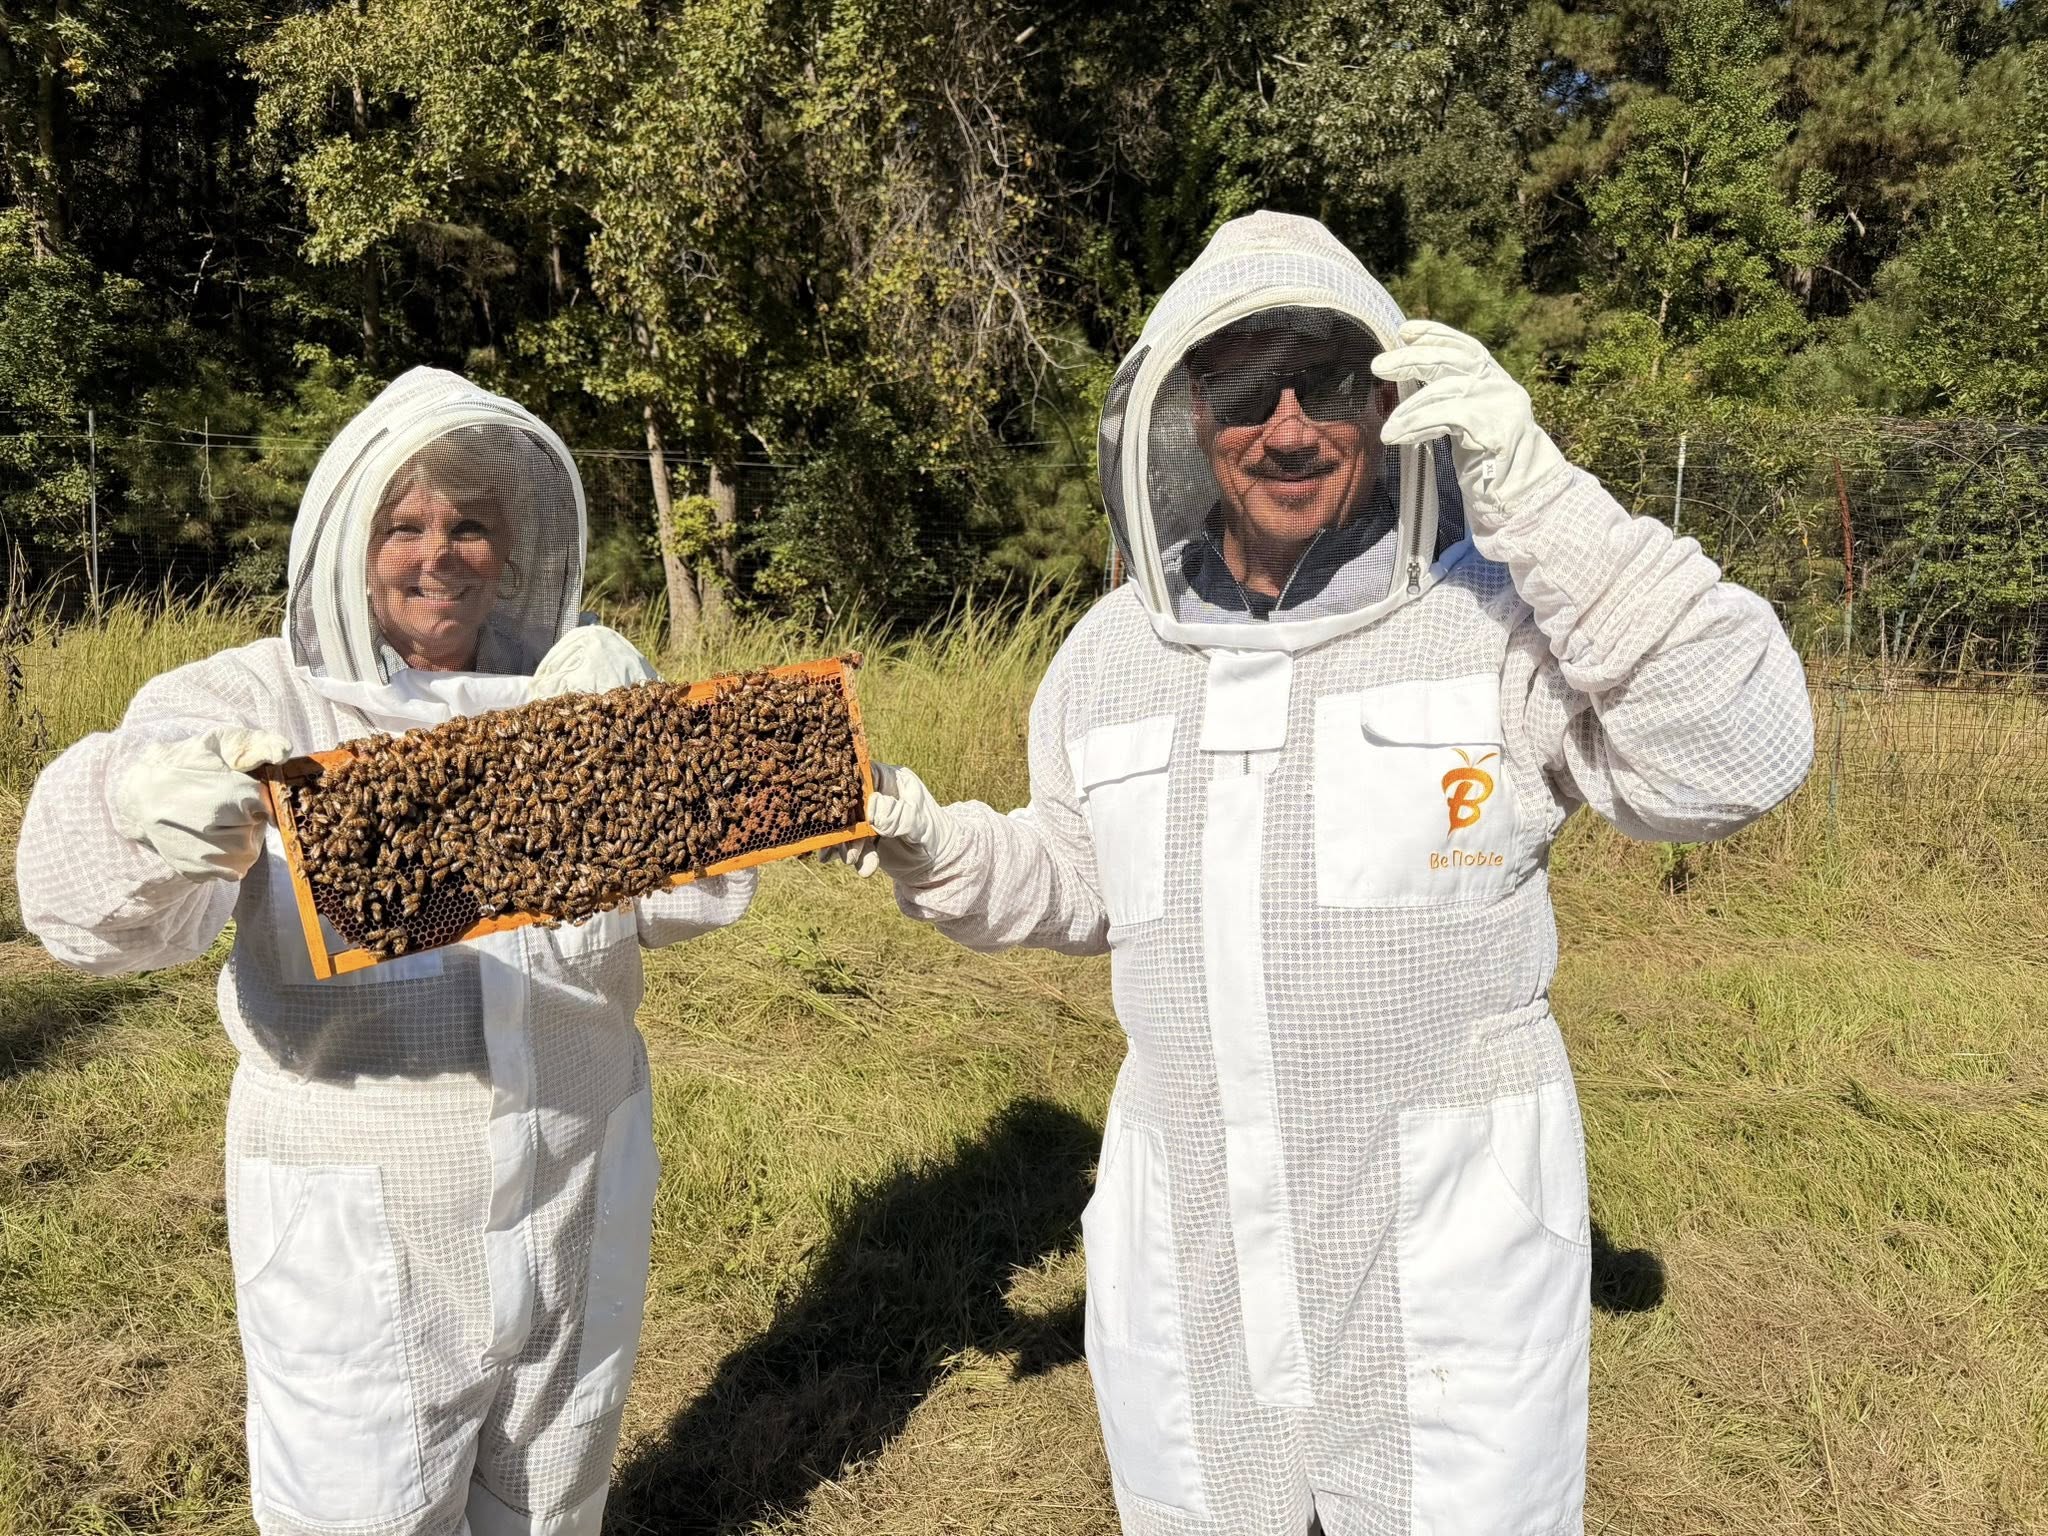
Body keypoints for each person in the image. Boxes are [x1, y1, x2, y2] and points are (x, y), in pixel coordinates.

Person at [832, 212, 1814, 1534]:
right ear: (1190, 407)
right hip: (1194, 1261)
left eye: (1328, 384)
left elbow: (1740, 749)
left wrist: (1540, 491)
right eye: (1245, 385)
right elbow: (1080, 877)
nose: (1287, 428)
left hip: (1446, 1268)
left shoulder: (1491, 620)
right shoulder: (1112, 655)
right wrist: (931, 839)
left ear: (1385, 398)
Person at [15, 368, 755, 1536]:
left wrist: (650, 747)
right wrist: (136, 804)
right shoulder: (255, 694)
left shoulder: (563, 687)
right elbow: (70, 908)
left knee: (552, 1499)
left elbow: (704, 898)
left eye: (470, 526)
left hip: (576, 1172)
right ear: (352, 549)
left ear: (512, 552)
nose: (438, 555)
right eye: (404, 526)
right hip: (364, 1213)